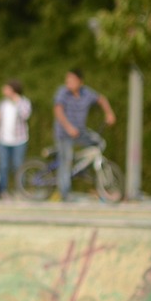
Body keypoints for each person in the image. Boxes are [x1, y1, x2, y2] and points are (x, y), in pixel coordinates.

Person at [53, 68, 116, 202]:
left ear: (80, 82)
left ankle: (83, 168)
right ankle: (65, 194)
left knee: (99, 143)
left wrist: (109, 113)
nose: (68, 82)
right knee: (66, 160)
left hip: (80, 131)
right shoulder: (62, 92)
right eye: (67, 79)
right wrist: (69, 128)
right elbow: (58, 111)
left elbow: (101, 99)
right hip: (64, 133)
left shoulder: (86, 93)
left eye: (71, 80)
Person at [0, 79, 31, 197]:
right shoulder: (2, 103)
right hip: (3, 140)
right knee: (3, 166)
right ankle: (3, 191)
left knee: (18, 166)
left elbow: (25, 115)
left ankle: (20, 191)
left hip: (19, 140)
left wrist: (16, 101)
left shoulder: (23, 102)